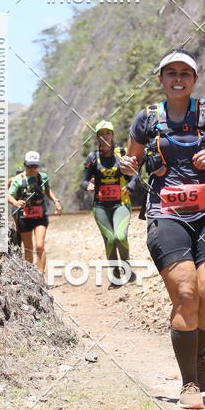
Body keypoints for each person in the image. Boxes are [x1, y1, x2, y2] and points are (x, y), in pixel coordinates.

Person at [121, 49, 205, 409]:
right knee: (186, 294)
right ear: (161, 79)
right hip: (166, 216)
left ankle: (196, 352)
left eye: (185, 74)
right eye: (171, 73)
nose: (178, 79)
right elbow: (131, 165)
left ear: (194, 79)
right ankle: (189, 383)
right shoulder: (147, 119)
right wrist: (128, 165)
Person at [82, 120, 135, 286]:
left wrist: (131, 185)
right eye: (101, 134)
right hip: (100, 206)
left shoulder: (122, 153)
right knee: (110, 239)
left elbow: (134, 174)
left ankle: (126, 269)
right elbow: (83, 181)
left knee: (120, 236)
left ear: (112, 135)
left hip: (122, 203)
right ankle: (115, 276)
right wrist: (88, 185)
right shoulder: (93, 157)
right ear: (97, 137)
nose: (105, 136)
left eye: (108, 133)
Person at [7, 151, 62, 273]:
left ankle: (41, 275)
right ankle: (30, 276)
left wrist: (56, 201)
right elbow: (7, 195)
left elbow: (47, 190)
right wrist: (16, 203)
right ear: (24, 165)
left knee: (39, 246)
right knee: (28, 248)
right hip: (24, 218)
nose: (32, 169)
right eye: (29, 166)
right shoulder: (17, 180)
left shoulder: (43, 177)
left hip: (40, 217)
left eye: (34, 166)